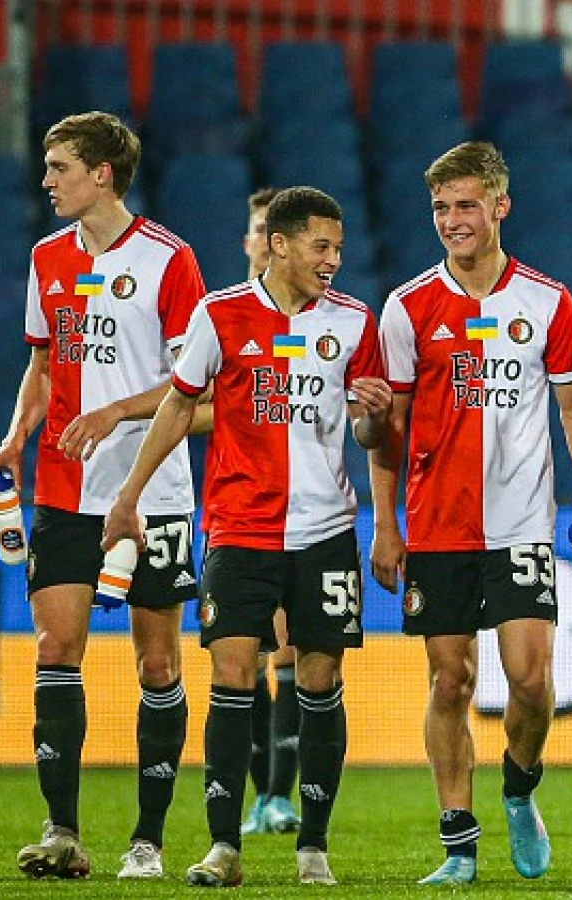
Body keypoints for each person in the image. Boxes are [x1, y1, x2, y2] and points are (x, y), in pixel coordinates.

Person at [102, 186, 390, 887]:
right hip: (239, 528)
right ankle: (224, 847)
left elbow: (366, 430)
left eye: (339, 246)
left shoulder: (354, 321)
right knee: (231, 675)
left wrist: (377, 417)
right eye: (321, 245)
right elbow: (179, 404)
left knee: (321, 681)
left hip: (324, 532)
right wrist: (130, 495)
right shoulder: (221, 314)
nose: (334, 259)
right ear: (281, 244)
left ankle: (312, 847)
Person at [369, 141, 572, 886]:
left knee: (532, 681)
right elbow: (387, 427)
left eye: (466, 205)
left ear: (501, 207)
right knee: (449, 682)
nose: (452, 220)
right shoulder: (408, 306)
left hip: (520, 526)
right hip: (438, 527)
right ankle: (458, 843)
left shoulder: (545, 301)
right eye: (441, 207)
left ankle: (519, 787)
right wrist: (385, 525)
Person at [0, 112, 208, 881]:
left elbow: (200, 396)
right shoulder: (47, 259)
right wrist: (15, 437)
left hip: (155, 496)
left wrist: (114, 412)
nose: (47, 181)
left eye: (60, 167)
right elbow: (41, 366)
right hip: (66, 493)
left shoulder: (171, 262)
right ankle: (64, 832)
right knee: (56, 648)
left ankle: (148, 838)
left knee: (157, 662)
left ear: (102, 173)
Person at [237, 186, 304, 837]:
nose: (265, 238)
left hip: (299, 514)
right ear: (250, 241)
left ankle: (279, 796)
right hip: (236, 511)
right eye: (257, 228)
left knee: (288, 650)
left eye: (272, 228)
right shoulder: (226, 317)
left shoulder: (315, 317)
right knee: (244, 659)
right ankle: (261, 795)